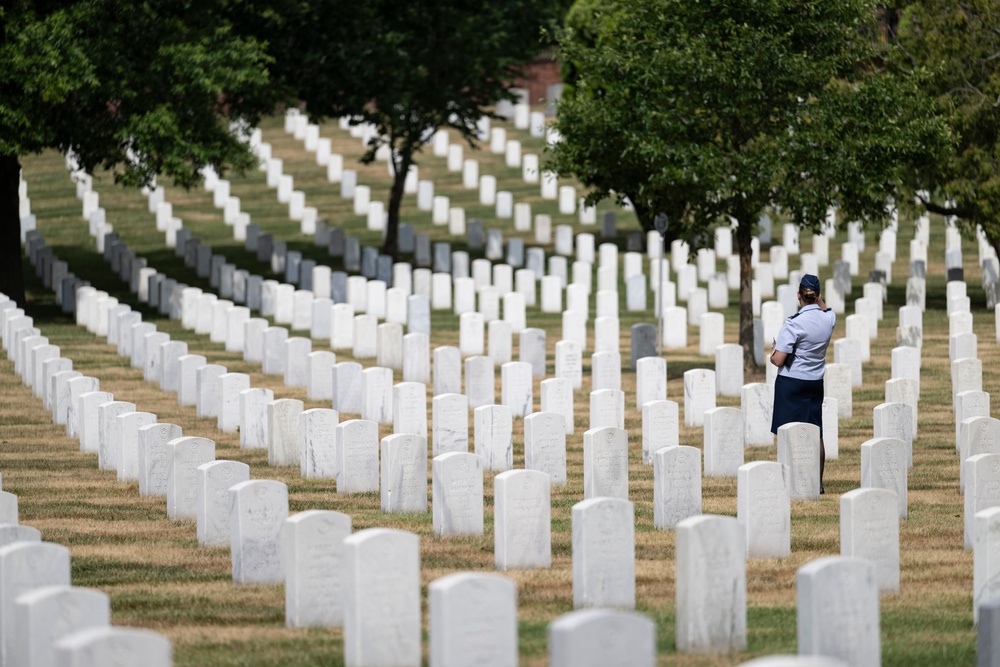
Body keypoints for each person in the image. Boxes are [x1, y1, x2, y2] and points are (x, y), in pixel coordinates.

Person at [769, 273, 836, 493]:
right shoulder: (829, 320)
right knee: (817, 432)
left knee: (787, 431)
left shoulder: (793, 323)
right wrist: (819, 299)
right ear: (818, 296)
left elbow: (779, 359)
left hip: (791, 382)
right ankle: (817, 483)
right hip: (815, 382)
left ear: (799, 295)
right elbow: (825, 309)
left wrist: (773, 352)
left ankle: (788, 480)